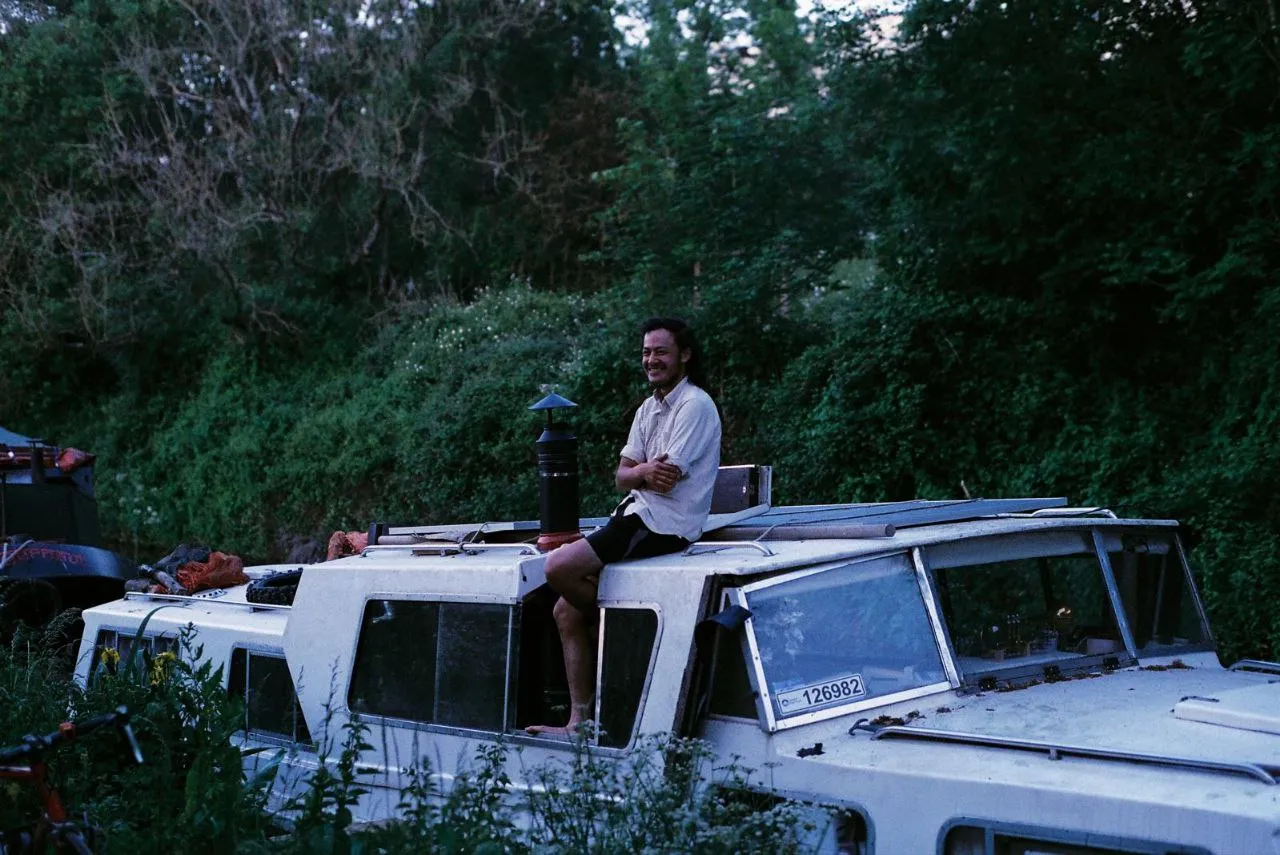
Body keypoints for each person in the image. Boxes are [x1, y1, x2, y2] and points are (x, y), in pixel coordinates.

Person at [525, 317, 721, 737]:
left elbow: (665, 476)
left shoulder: (696, 406)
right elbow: (622, 476)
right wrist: (642, 472)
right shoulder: (649, 408)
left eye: (661, 351)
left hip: (664, 523)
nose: (651, 359)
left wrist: (643, 471)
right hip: (635, 512)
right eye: (647, 352)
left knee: (557, 568)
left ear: (684, 355)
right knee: (564, 609)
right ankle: (579, 722)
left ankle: (615, 627)